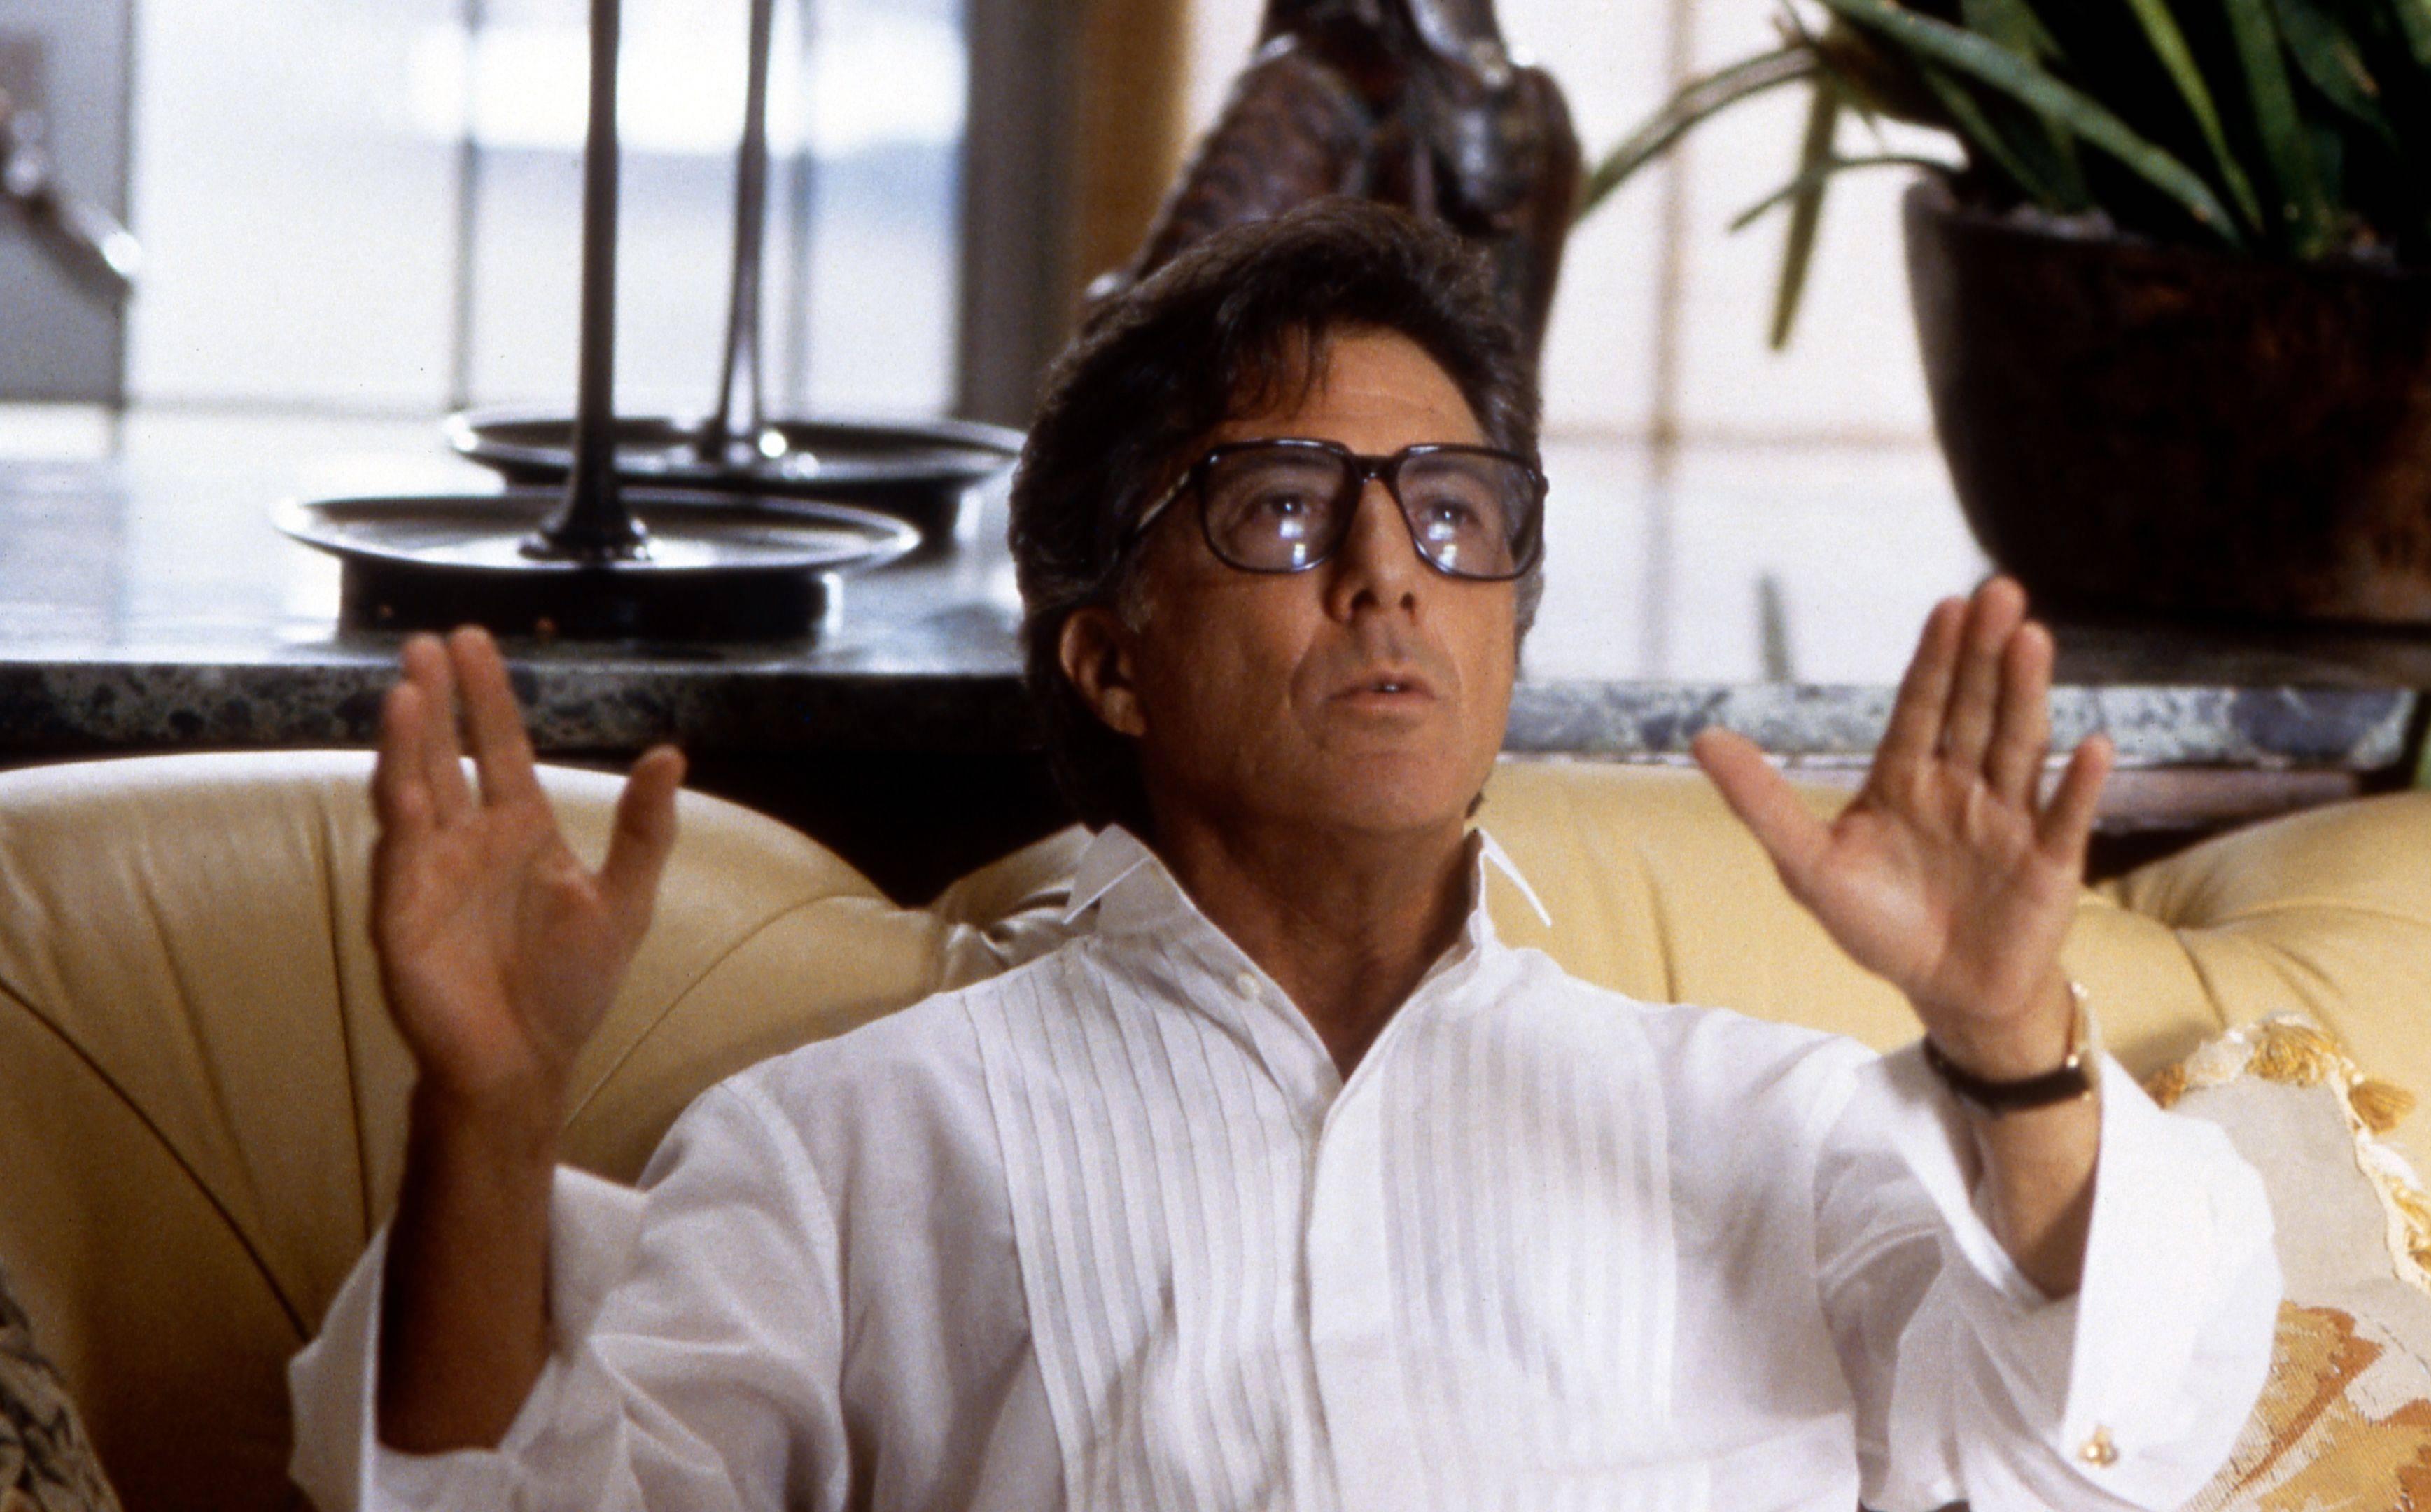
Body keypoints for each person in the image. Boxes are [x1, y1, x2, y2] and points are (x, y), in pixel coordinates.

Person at [288, 201, 2276, 1511]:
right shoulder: (849, 1151)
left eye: (1454, 511)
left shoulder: (1762, 1125)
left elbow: (2113, 1432)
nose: (1392, 571)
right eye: (1287, 510)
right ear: (1113, 658)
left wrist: (2012, 1045)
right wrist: (490, 1113)